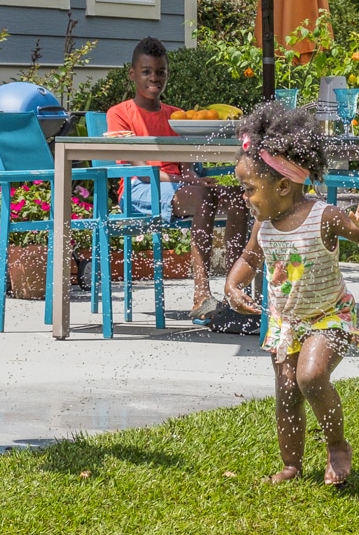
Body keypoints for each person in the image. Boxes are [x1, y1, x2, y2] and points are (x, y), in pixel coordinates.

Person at [224, 102, 359, 486]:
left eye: (249, 189)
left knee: (310, 376)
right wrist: (233, 285)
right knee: (286, 390)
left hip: (330, 315)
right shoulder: (264, 224)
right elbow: (250, 257)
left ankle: (336, 446)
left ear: (282, 186)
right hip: (287, 322)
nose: (245, 197)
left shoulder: (323, 216)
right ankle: (292, 465)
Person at [106, 36, 251, 324]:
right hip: (139, 187)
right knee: (203, 198)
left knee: (238, 198)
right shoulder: (119, 113)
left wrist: (193, 178)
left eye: (160, 72)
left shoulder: (177, 116)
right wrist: (188, 183)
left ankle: (236, 293)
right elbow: (138, 169)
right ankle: (201, 296)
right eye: (146, 71)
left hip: (179, 187)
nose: (154, 78)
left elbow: (186, 164)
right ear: (133, 74)